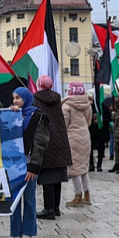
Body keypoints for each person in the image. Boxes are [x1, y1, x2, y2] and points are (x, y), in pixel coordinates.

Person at [9, 87, 50, 238]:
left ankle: (27, 233)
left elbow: (41, 143)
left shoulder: (38, 116)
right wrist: (11, 115)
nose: (15, 101)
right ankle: (15, 232)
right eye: (13, 98)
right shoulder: (12, 115)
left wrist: (34, 167)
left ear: (26, 98)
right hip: (13, 165)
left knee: (29, 198)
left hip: (28, 165)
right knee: (14, 200)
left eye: (18, 98)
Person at [32, 75, 71, 220]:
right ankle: (56, 207)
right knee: (57, 177)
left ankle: (48, 209)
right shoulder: (56, 99)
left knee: (47, 176)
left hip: (46, 140)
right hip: (60, 141)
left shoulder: (36, 99)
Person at [62, 82, 93, 206]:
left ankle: (77, 196)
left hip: (72, 139)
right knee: (84, 168)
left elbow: (64, 124)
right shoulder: (87, 104)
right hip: (85, 136)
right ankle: (87, 195)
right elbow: (89, 121)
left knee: (74, 169)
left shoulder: (66, 106)